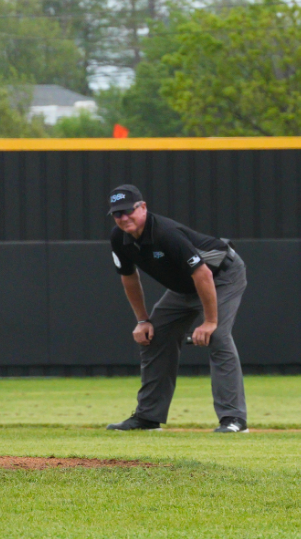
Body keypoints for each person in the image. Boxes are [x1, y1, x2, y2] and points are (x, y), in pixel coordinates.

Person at [102, 184, 250, 434]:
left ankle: (233, 419)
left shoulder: (165, 233)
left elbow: (203, 273)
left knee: (218, 337)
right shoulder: (119, 238)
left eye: (129, 211)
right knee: (154, 335)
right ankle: (148, 417)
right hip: (186, 286)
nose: (124, 218)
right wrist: (142, 320)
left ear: (143, 207)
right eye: (118, 214)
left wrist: (210, 322)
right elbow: (129, 277)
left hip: (221, 276)